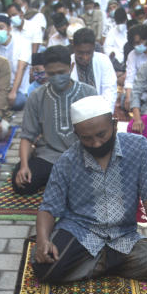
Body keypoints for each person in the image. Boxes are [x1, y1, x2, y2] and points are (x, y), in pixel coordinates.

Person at [33, 95, 147, 283]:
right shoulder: (67, 161)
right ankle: (112, 264)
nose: (96, 143)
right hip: (81, 232)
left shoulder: (138, 148)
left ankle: (95, 264)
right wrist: (43, 240)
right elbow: (49, 207)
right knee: (44, 268)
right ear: (76, 134)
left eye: (102, 134)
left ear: (114, 124)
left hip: (123, 235)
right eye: (87, 138)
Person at [14, 46, 98, 195]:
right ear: (45, 71)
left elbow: (99, 135)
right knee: (21, 183)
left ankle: (60, 181)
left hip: (80, 157)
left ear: (71, 68)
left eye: (61, 72)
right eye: (52, 73)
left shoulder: (88, 93)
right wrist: (24, 167)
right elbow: (27, 136)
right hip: (48, 157)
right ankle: (62, 180)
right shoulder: (36, 96)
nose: (57, 77)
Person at [0, 14, 31, 111]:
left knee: (18, 101)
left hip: (19, 90)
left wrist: (13, 92)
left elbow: (21, 68)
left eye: (1, 27)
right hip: (0, 90)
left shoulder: (23, 43)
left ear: (9, 28)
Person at [70, 28, 116, 111]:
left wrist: (104, 114)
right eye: (80, 53)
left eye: (88, 53)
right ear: (74, 47)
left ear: (94, 48)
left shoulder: (103, 60)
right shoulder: (68, 63)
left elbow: (109, 90)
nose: (85, 57)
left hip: (100, 111)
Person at [123, 23, 147, 116]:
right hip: (138, 91)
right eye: (134, 44)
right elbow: (130, 77)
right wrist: (128, 97)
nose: (137, 46)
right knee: (125, 100)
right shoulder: (133, 54)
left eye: (139, 42)